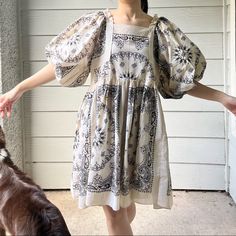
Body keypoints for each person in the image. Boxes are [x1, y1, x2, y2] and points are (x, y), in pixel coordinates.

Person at [0, 0, 236, 235]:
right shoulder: (99, 24)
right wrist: (19, 89)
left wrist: (223, 98)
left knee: (123, 207)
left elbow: (181, 81)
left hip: (138, 128)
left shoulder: (159, 31)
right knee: (114, 211)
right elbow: (60, 65)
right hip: (102, 126)